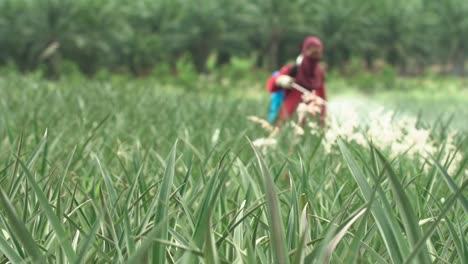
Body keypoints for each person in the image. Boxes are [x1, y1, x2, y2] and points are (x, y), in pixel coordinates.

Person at [266, 36, 327, 126]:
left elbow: (322, 98)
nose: (314, 57)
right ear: (305, 51)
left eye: (317, 53)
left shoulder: (319, 73)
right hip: (288, 120)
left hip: (310, 122)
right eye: (312, 52)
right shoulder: (292, 69)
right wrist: (279, 80)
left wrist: (323, 121)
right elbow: (271, 86)